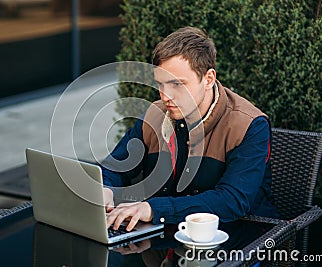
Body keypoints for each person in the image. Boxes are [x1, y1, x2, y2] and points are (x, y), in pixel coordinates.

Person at [102, 26, 278, 232]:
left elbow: (232, 201)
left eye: (178, 84)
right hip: (163, 238)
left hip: (240, 240)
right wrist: (105, 188)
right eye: (161, 84)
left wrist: (153, 209)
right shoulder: (154, 115)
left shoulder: (250, 125)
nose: (165, 96)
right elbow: (116, 166)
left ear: (209, 79)